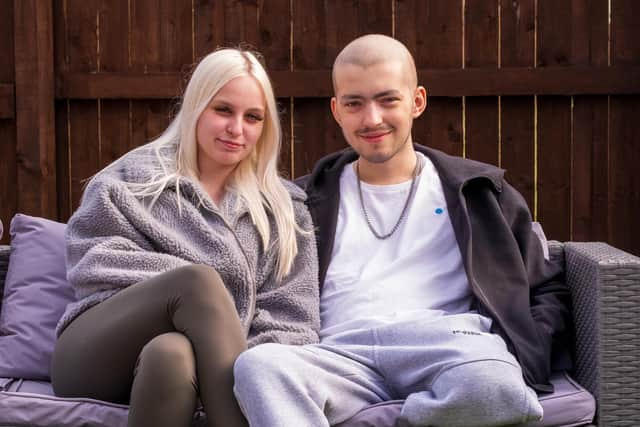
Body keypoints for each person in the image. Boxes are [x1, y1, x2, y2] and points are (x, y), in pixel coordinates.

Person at [233, 34, 571, 427]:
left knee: (497, 389)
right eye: (354, 104)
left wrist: (525, 349)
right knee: (259, 367)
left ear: (417, 102)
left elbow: (546, 287)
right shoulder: (298, 201)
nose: (372, 119)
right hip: (339, 354)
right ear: (336, 111)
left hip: (451, 346)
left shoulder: (480, 192)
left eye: (387, 100)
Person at [51, 48, 320, 427]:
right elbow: (93, 261)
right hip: (93, 353)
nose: (237, 129)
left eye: (253, 117)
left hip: (187, 365)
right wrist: (193, 298)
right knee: (197, 281)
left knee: (172, 354)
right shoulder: (130, 180)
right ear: (196, 107)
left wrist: (216, 346)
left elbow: (294, 321)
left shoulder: (284, 210)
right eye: (223, 110)